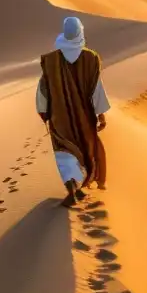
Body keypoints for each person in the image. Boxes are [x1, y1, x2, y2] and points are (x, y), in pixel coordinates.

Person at [36, 16, 110, 207]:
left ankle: (72, 184)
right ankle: (82, 184)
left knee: (65, 153)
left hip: (59, 118)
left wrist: (44, 112)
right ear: (81, 32)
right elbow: (97, 90)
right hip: (84, 119)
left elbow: (43, 89)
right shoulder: (90, 59)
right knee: (86, 150)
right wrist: (101, 116)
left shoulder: (51, 60)